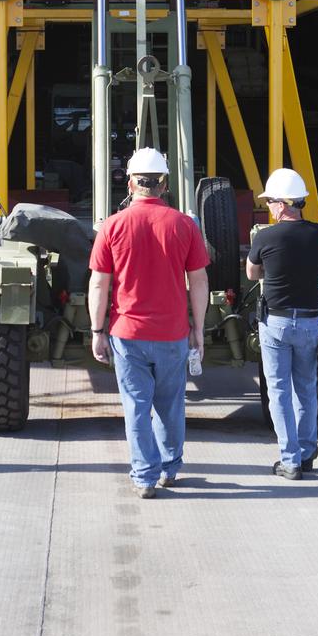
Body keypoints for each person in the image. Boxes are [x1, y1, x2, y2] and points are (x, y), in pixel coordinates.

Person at [88, 147, 209, 498]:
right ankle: (169, 468)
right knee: (170, 404)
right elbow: (199, 281)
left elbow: (99, 282)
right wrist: (198, 330)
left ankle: (144, 476)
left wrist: (97, 331)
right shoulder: (184, 225)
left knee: (136, 407)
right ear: (165, 183)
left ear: (130, 184)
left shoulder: (112, 226)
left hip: (127, 334)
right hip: (172, 334)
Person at [246, 168, 318, 480]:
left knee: (279, 390)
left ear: (282, 204)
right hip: (309, 323)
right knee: (306, 387)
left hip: (276, 323)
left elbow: (252, 274)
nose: (268, 206)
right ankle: (307, 452)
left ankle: (290, 460)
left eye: (270, 201)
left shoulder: (266, 236)